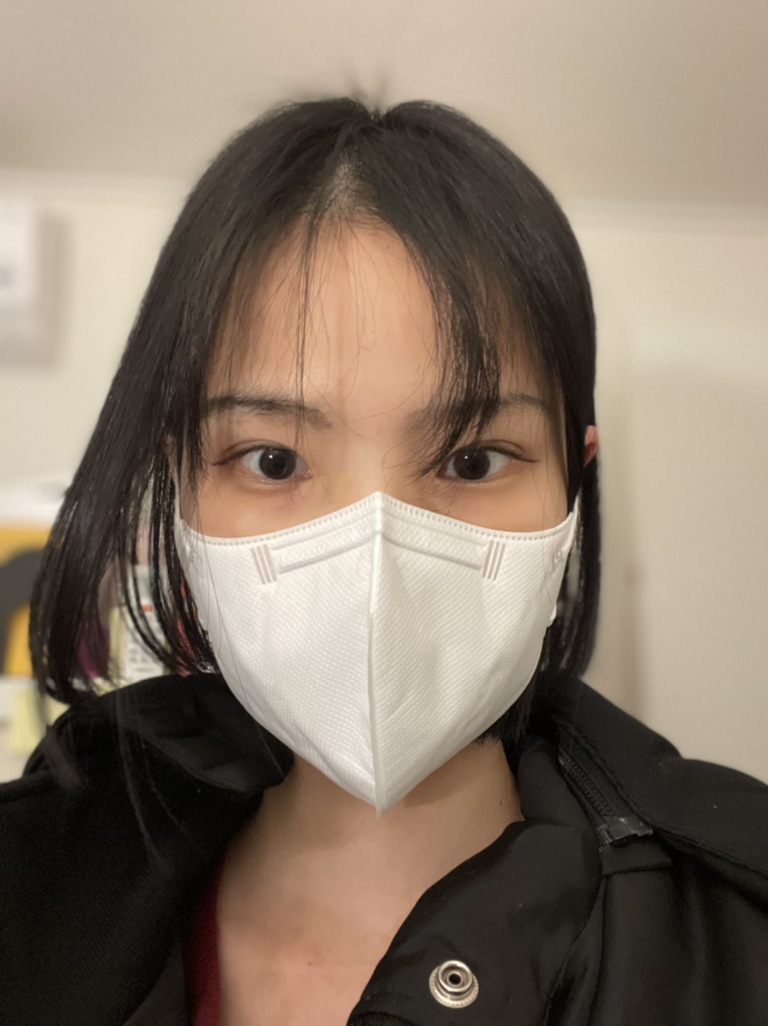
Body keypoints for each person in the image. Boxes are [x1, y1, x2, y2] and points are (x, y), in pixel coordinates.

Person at [2, 97, 767, 1026]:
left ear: (573, 486)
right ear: (181, 485)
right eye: (273, 461)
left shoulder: (737, 945)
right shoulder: (32, 890)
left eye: (472, 461)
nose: (377, 568)